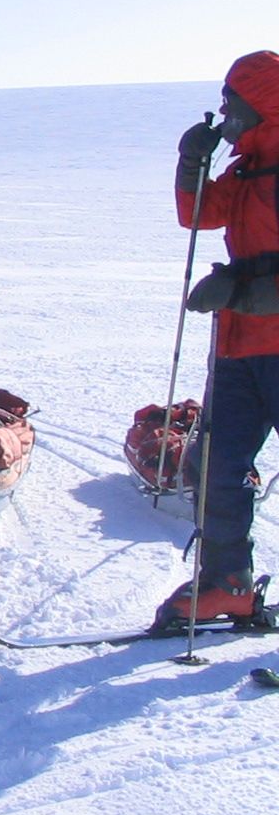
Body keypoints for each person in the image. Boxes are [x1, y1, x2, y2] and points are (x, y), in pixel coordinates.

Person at [155, 51, 279, 626]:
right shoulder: (248, 166)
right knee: (217, 465)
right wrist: (191, 165)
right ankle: (228, 580)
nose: (224, 111)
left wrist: (244, 291)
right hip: (239, 348)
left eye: (233, 100)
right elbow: (199, 216)